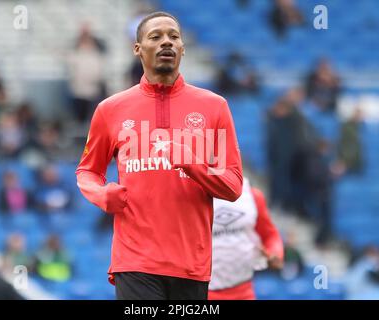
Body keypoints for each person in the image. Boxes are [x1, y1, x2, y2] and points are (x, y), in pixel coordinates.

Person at [76, 11, 243, 300]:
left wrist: (193, 163)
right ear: (138, 49)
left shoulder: (215, 107)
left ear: (182, 48)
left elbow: (233, 185)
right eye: (156, 36)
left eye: (173, 36)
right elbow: (87, 171)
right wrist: (101, 194)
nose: (166, 42)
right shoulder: (110, 109)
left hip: (191, 264)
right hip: (135, 261)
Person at [208, 180, 283, 300]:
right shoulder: (191, 196)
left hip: (243, 290)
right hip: (203, 291)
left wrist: (274, 253)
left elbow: (270, 235)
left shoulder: (252, 195)